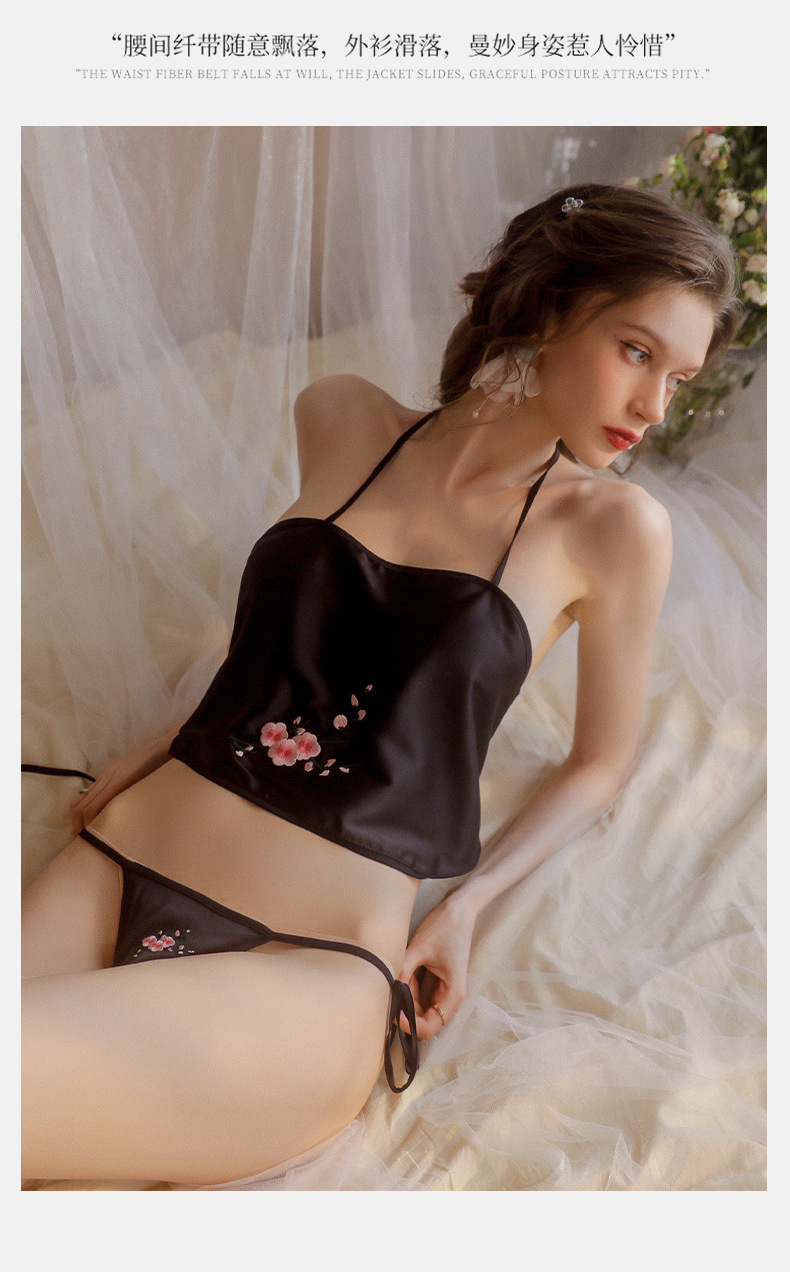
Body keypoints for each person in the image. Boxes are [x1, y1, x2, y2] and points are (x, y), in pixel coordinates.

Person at [21, 183, 741, 1188]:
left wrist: (469, 905)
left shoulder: (613, 530)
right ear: (548, 307)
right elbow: (285, 641)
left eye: (679, 378)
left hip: (303, 966)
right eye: (637, 352)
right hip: (120, 859)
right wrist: (164, 741)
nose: (653, 407)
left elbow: (599, 765)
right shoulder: (340, 416)